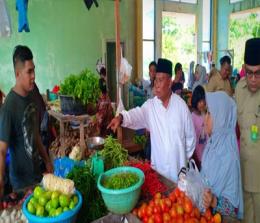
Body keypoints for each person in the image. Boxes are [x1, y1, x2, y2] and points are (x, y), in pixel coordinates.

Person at [108, 58, 196, 182]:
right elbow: (137, 114)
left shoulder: (181, 106)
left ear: (170, 83)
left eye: (161, 80)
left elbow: (191, 140)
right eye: (156, 80)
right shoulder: (151, 106)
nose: (156, 84)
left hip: (179, 175)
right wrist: (121, 117)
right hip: (159, 174)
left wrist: (180, 159)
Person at [0, 45, 53, 197]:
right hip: (20, 185)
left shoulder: (32, 98)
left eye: (33, 70)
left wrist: (47, 160)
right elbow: (2, 151)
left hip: (37, 177)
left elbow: (35, 135)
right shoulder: (8, 107)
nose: (33, 76)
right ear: (18, 74)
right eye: (29, 71)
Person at [201, 91, 243, 220]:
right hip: (203, 215)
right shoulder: (212, 144)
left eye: (209, 113)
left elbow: (233, 209)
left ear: (221, 119)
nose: (205, 119)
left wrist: (214, 201)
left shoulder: (229, 157)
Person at [235, 38, 260, 223]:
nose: (253, 79)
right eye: (249, 73)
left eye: (258, 73)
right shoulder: (239, 89)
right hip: (243, 170)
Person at [191, 85, 207, 169]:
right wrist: (196, 158)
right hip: (197, 155)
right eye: (199, 101)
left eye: (203, 101)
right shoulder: (192, 117)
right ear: (195, 101)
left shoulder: (206, 115)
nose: (202, 103)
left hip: (207, 154)